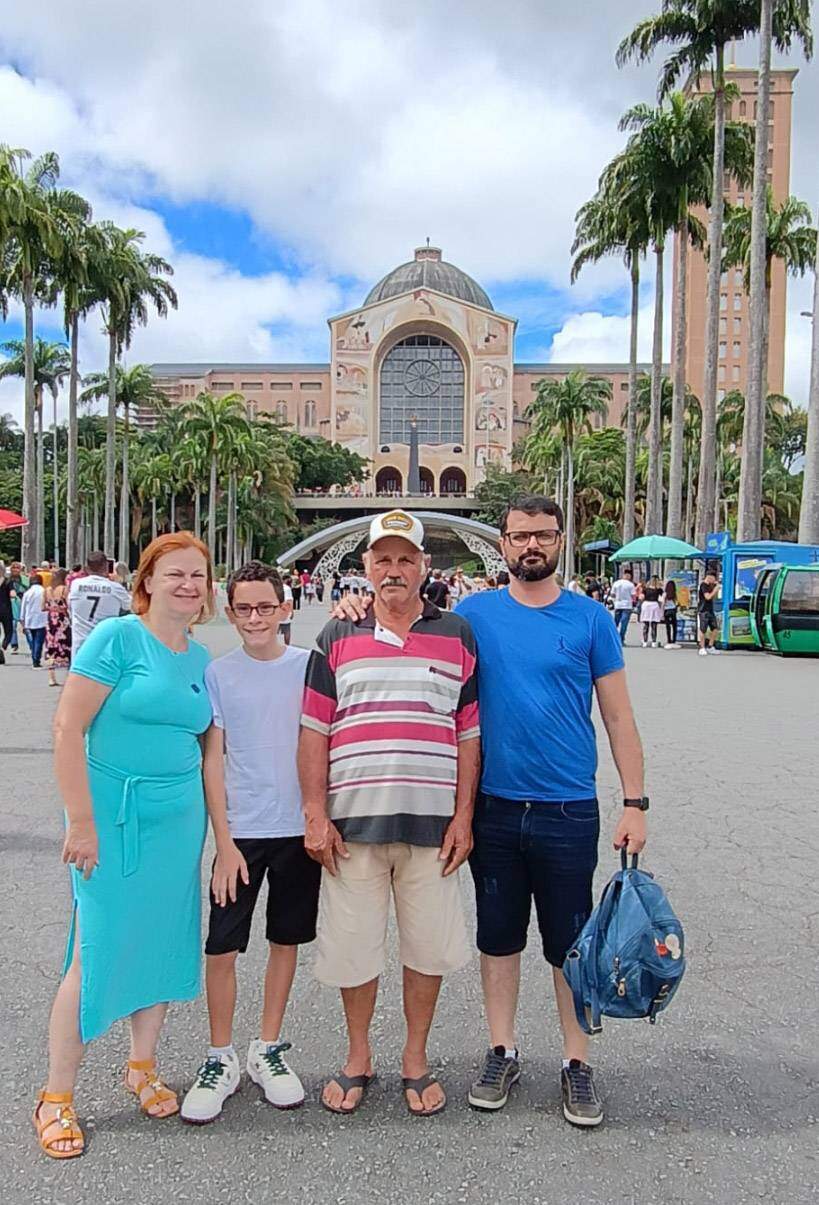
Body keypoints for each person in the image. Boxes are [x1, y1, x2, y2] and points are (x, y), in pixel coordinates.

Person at [333, 498, 647, 1128]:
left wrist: (635, 801)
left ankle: (576, 1061)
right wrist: (355, 605)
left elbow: (617, 715)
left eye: (543, 536)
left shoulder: (589, 620)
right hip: (494, 808)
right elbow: (410, 619)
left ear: (559, 541)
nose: (531, 546)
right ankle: (502, 1048)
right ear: (501, 544)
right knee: (498, 938)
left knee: (570, 942)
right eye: (520, 536)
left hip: (567, 806)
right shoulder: (472, 616)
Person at [34, 532, 214, 1160]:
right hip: (111, 817)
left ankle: (142, 1064)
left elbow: (208, 750)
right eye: (175, 574)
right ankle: (57, 1095)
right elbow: (67, 726)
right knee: (97, 947)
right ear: (147, 582)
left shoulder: (198, 657)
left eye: (198, 574)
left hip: (177, 822)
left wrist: (222, 835)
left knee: (163, 941)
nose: (188, 584)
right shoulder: (117, 638)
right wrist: (80, 821)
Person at [299, 510, 480, 1118]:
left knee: (428, 949)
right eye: (384, 559)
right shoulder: (337, 636)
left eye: (406, 559)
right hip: (353, 826)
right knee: (353, 947)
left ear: (424, 567)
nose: (395, 570)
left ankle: (415, 1056)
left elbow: (469, 734)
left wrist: (464, 817)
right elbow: (314, 731)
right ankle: (357, 1055)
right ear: (366, 568)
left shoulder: (456, 634)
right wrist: (314, 814)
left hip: (433, 827)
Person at [181, 561, 319, 1124]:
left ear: (286, 608)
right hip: (242, 832)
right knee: (222, 946)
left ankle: (267, 1047)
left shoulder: (310, 667)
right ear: (230, 612)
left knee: (286, 939)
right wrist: (225, 839)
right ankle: (221, 1056)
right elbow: (213, 759)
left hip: (296, 830)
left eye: (266, 607)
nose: (256, 618)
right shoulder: (219, 674)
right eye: (245, 609)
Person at [68, 550, 131, 657]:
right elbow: (130, 606)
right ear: (106, 566)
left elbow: (70, 606)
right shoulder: (115, 588)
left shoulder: (76, 585)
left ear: (87, 568)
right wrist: (117, 582)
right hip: (106, 647)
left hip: (81, 645)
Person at [43, 568, 72, 687]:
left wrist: (52, 607)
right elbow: (69, 606)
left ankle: (51, 677)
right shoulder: (64, 589)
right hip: (62, 621)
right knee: (67, 647)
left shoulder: (47, 590)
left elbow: (42, 607)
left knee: (51, 648)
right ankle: (69, 677)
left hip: (51, 622)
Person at [20, 572, 47, 667]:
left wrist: (22, 621)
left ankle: (34, 654)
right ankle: (36, 659)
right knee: (39, 641)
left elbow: (23, 608)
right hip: (42, 620)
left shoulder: (27, 593)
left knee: (32, 640)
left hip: (29, 620)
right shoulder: (44, 591)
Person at [698, 570, 721, 656]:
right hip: (703, 610)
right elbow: (707, 597)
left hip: (710, 610)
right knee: (703, 630)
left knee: (715, 629)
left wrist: (715, 587)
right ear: (709, 577)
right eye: (713, 578)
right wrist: (715, 589)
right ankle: (702, 647)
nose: (714, 580)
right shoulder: (703, 585)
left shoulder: (710, 586)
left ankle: (710, 646)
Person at [610, 568, 635, 645]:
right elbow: (633, 596)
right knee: (624, 623)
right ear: (629, 576)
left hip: (618, 605)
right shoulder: (631, 585)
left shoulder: (616, 583)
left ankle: (613, 638)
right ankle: (621, 639)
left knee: (615, 622)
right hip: (627, 605)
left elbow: (612, 594)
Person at [639, 576, 664, 648]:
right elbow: (662, 599)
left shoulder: (645, 589)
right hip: (654, 605)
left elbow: (641, 597)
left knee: (646, 624)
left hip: (646, 605)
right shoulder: (659, 590)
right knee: (654, 625)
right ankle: (653, 641)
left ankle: (645, 642)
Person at [663, 579, 679, 649]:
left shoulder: (665, 594)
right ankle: (674, 640)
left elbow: (663, 603)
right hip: (673, 610)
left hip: (666, 611)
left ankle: (668, 640)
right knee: (674, 626)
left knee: (668, 626)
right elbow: (676, 602)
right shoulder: (674, 593)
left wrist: (662, 611)